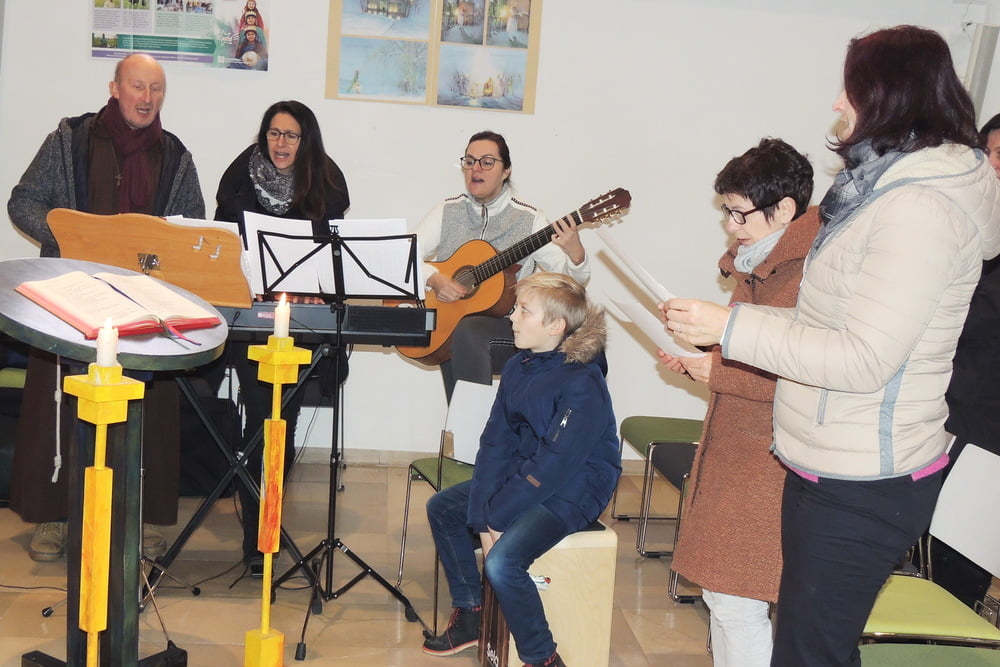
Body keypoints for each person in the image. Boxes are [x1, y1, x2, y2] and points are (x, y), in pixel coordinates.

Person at [664, 26, 1000, 666]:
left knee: (809, 652)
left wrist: (730, 328)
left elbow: (862, 357)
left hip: (865, 473)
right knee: (809, 646)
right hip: (830, 460)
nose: (838, 103)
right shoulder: (879, 194)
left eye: (851, 88)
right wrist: (731, 319)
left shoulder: (919, 209)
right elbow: (829, 320)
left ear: (889, 95)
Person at [6, 53, 205, 561]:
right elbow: (22, 201)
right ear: (114, 88)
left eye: (156, 90)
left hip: (145, 305)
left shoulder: (177, 157)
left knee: (145, 409)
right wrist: (72, 236)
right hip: (69, 297)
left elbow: (192, 228)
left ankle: (139, 515)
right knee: (60, 405)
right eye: (137, 87)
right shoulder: (69, 140)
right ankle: (55, 516)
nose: (147, 98)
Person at [659, 138, 819, 667]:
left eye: (739, 213)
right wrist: (704, 357)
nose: (730, 226)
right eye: (727, 212)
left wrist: (721, 371)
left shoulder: (807, 271)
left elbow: (814, 371)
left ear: (785, 210)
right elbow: (752, 349)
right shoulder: (760, 263)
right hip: (740, 448)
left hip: (771, 458)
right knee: (724, 599)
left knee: (735, 602)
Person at [421, 272, 620, 667]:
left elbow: (557, 462)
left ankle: (542, 657)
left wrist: (498, 515)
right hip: (530, 472)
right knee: (444, 509)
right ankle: (472, 613)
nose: (511, 318)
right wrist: (482, 518)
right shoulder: (518, 365)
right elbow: (496, 443)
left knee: (502, 563)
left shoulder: (583, 380)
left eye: (524, 311)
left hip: (577, 485)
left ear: (555, 326)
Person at [209, 99, 350, 573]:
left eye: (291, 135)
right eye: (274, 133)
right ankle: (256, 536)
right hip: (252, 317)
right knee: (259, 421)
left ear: (305, 140)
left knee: (280, 424)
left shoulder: (327, 182)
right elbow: (221, 249)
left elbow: (335, 261)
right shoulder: (239, 177)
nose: (281, 143)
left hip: (301, 322)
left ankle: (264, 529)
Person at [414, 130, 590, 402]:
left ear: (506, 171)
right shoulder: (447, 211)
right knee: (460, 333)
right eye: (469, 161)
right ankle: (466, 423)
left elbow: (570, 285)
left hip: (510, 326)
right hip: (452, 325)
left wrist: (576, 255)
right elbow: (404, 255)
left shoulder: (529, 219)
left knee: (467, 332)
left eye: (487, 162)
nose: (476, 169)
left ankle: (472, 422)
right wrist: (433, 279)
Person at [930, 114, 1000, 609]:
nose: (995, 166)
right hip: (940, 411)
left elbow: (969, 319)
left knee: (956, 567)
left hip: (986, 434)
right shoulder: (970, 227)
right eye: (991, 154)